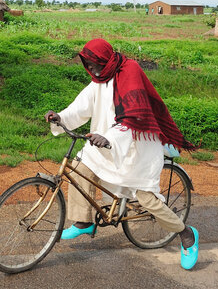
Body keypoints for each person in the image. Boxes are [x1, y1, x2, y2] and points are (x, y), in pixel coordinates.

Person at [44, 38, 199, 270]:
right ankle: (84, 220)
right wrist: (61, 117)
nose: (91, 69)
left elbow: (134, 117)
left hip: (138, 149)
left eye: (94, 64)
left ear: (105, 60)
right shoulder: (100, 79)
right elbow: (81, 106)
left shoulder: (130, 71)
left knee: (147, 201)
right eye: (88, 64)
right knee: (79, 168)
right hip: (106, 144)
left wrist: (110, 138)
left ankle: (186, 234)